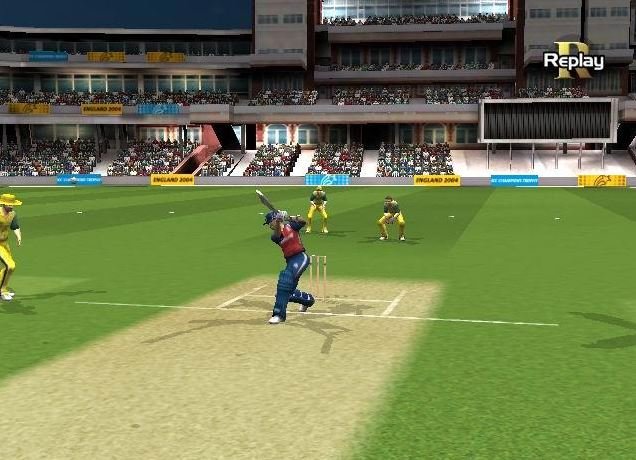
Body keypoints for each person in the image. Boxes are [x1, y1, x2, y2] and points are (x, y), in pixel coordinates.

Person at [264, 210, 315, 324]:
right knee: (284, 292)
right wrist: (278, 221)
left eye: (269, 222)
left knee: (285, 280)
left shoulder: (291, 226)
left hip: (300, 257)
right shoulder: (275, 236)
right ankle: (308, 300)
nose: (269, 225)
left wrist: (288, 217)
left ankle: (279, 315)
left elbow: (303, 221)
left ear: (273, 220)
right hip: (290, 261)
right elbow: (278, 234)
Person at [0, 194, 22, 301]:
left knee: (9, 268)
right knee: (11, 266)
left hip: (5, 243)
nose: (12, 206)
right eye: (10, 204)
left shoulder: (12, 214)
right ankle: (3, 290)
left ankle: (2, 287)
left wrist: (18, 236)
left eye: (13, 204)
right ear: (4, 204)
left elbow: (15, 226)